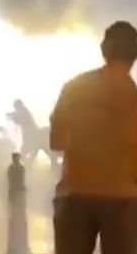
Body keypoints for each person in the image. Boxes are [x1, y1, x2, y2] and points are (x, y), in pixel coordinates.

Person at [50, 21, 137, 254]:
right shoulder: (134, 97)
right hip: (123, 199)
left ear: (103, 49)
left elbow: (56, 140)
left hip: (74, 195)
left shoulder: (75, 88)